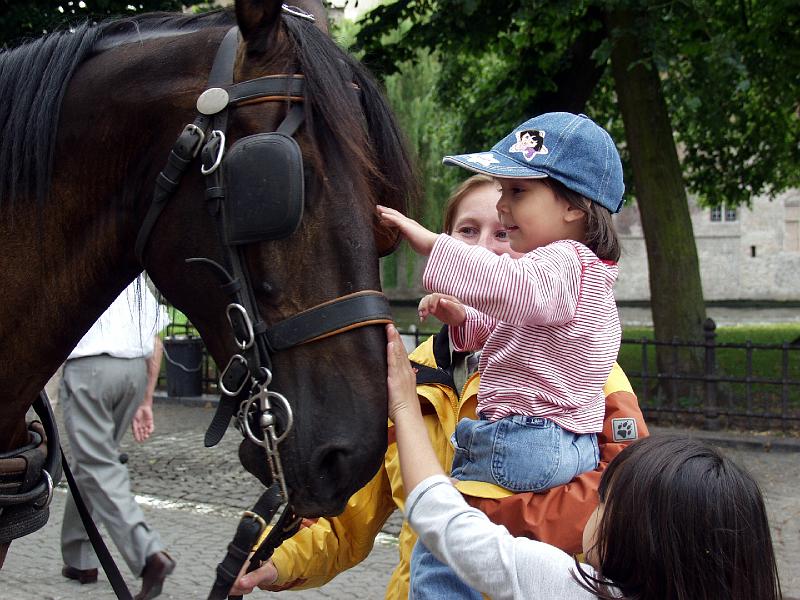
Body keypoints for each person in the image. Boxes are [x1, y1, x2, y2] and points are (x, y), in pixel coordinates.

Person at [231, 174, 647, 599]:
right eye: (467, 231)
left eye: (503, 234)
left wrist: (470, 520)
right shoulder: (409, 372)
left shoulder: (585, 371)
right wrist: (274, 562)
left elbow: (628, 505)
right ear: (450, 240)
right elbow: (349, 520)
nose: (482, 248)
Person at [378, 112, 624, 596]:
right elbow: (515, 320)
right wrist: (463, 320)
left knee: (444, 541)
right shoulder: (586, 274)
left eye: (518, 192)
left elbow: (512, 286)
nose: (503, 204)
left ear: (575, 207)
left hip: (521, 437)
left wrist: (432, 242)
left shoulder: (562, 260)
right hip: (564, 442)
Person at [385, 323, 783, 599]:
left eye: (607, 501)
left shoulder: (567, 587)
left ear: (642, 536)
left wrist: (403, 403)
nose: (596, 503)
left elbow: (439, 518)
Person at [60, 276, 175, 600]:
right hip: (132, 374)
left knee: (98, 464)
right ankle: (80, 558)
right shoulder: (131, 277)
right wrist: (147, 400)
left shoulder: (77, 265)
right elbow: (155, 342)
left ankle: (148, 556)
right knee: (93, 462)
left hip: (89, 370)